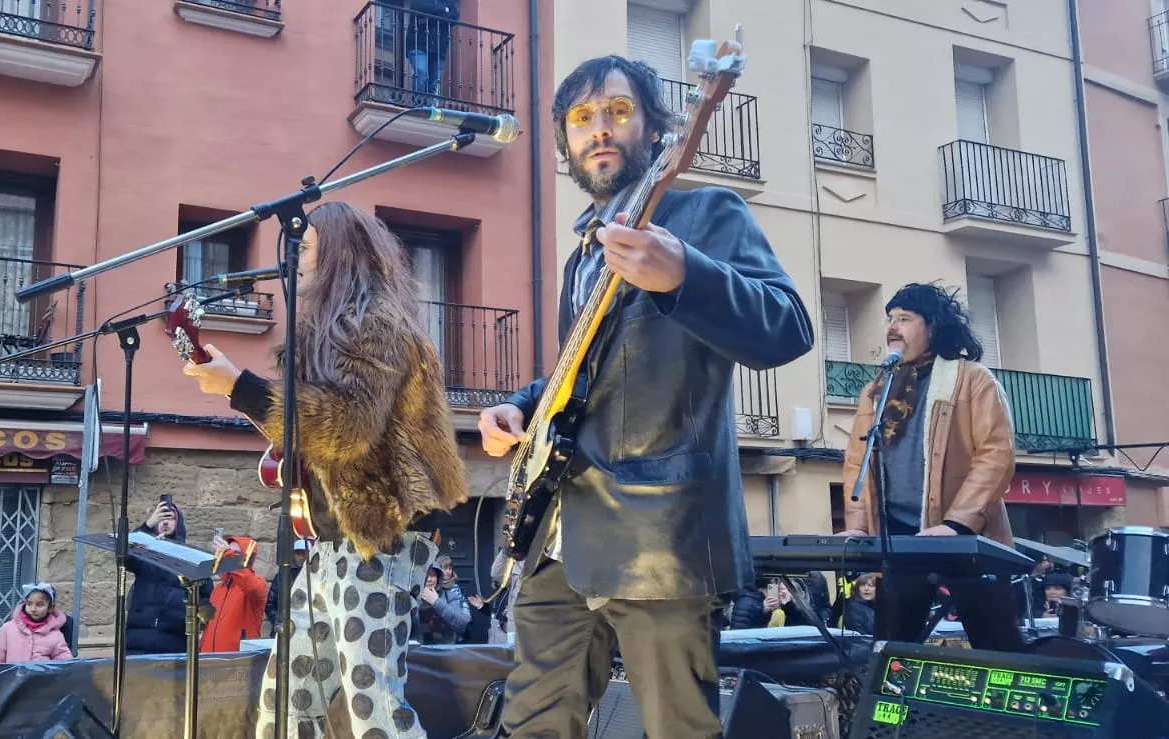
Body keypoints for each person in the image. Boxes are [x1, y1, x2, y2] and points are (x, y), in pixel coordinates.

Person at [476, 55, 814, 738]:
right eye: (581, 119)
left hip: (659, 535)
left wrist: (686, 273)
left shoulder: (707, 214)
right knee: (532, 722)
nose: (599, 130)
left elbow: (790, 327)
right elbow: (594, 373)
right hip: (559, 535)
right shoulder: (583, 252)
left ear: (657, 129)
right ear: (565, 144)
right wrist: (522, 402)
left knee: (678, 729)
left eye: (618, 112)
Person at [183, 200, 468, 738]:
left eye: (306, 248)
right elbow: (315, 433)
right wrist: (252, 403)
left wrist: (240, 389)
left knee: (373, 703)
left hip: (375, 539)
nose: (295, 261)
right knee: (286, 702)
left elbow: (345, 426)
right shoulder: (334, 329)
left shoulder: (377, 322)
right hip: (328, 541)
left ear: (339, 253)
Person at [835, 282, 1024, 653]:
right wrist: (857, 526)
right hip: (901, 540)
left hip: (968, 539)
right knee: (891, 652)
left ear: (933, 327)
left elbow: (996, 454)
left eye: (904, 318)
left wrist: (955, 524)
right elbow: (857, 461)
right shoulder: (877, 390)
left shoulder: (972, 379)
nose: (893, 326)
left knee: (1000, 649)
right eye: (890, 318)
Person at [123, 499, 202, 655]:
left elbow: (205, 597)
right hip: (138, 642)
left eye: (170, 518)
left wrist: (189, 622)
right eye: (161, 518)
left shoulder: (190, 558)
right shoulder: (145, 553)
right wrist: (147, 525)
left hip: (175, 642)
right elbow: (125, 556)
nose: (165, 522)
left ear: (178, 523)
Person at [200, 534, 268, 653]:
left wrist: (228, 554)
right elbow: (208, 628)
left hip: (239, 660)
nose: (228, 556)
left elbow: (248, 583)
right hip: (210, 660)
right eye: (227, 552)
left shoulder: (258, 584)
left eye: (234, 553)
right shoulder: (218, 589)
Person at [0, 583, 73, 664]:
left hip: (42, 680)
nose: (33, 609)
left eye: (39, 605)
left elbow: (64, 664)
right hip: (12, 679)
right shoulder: (8, 629)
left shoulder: (56, 636)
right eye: (29, 604)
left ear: (50, 608)